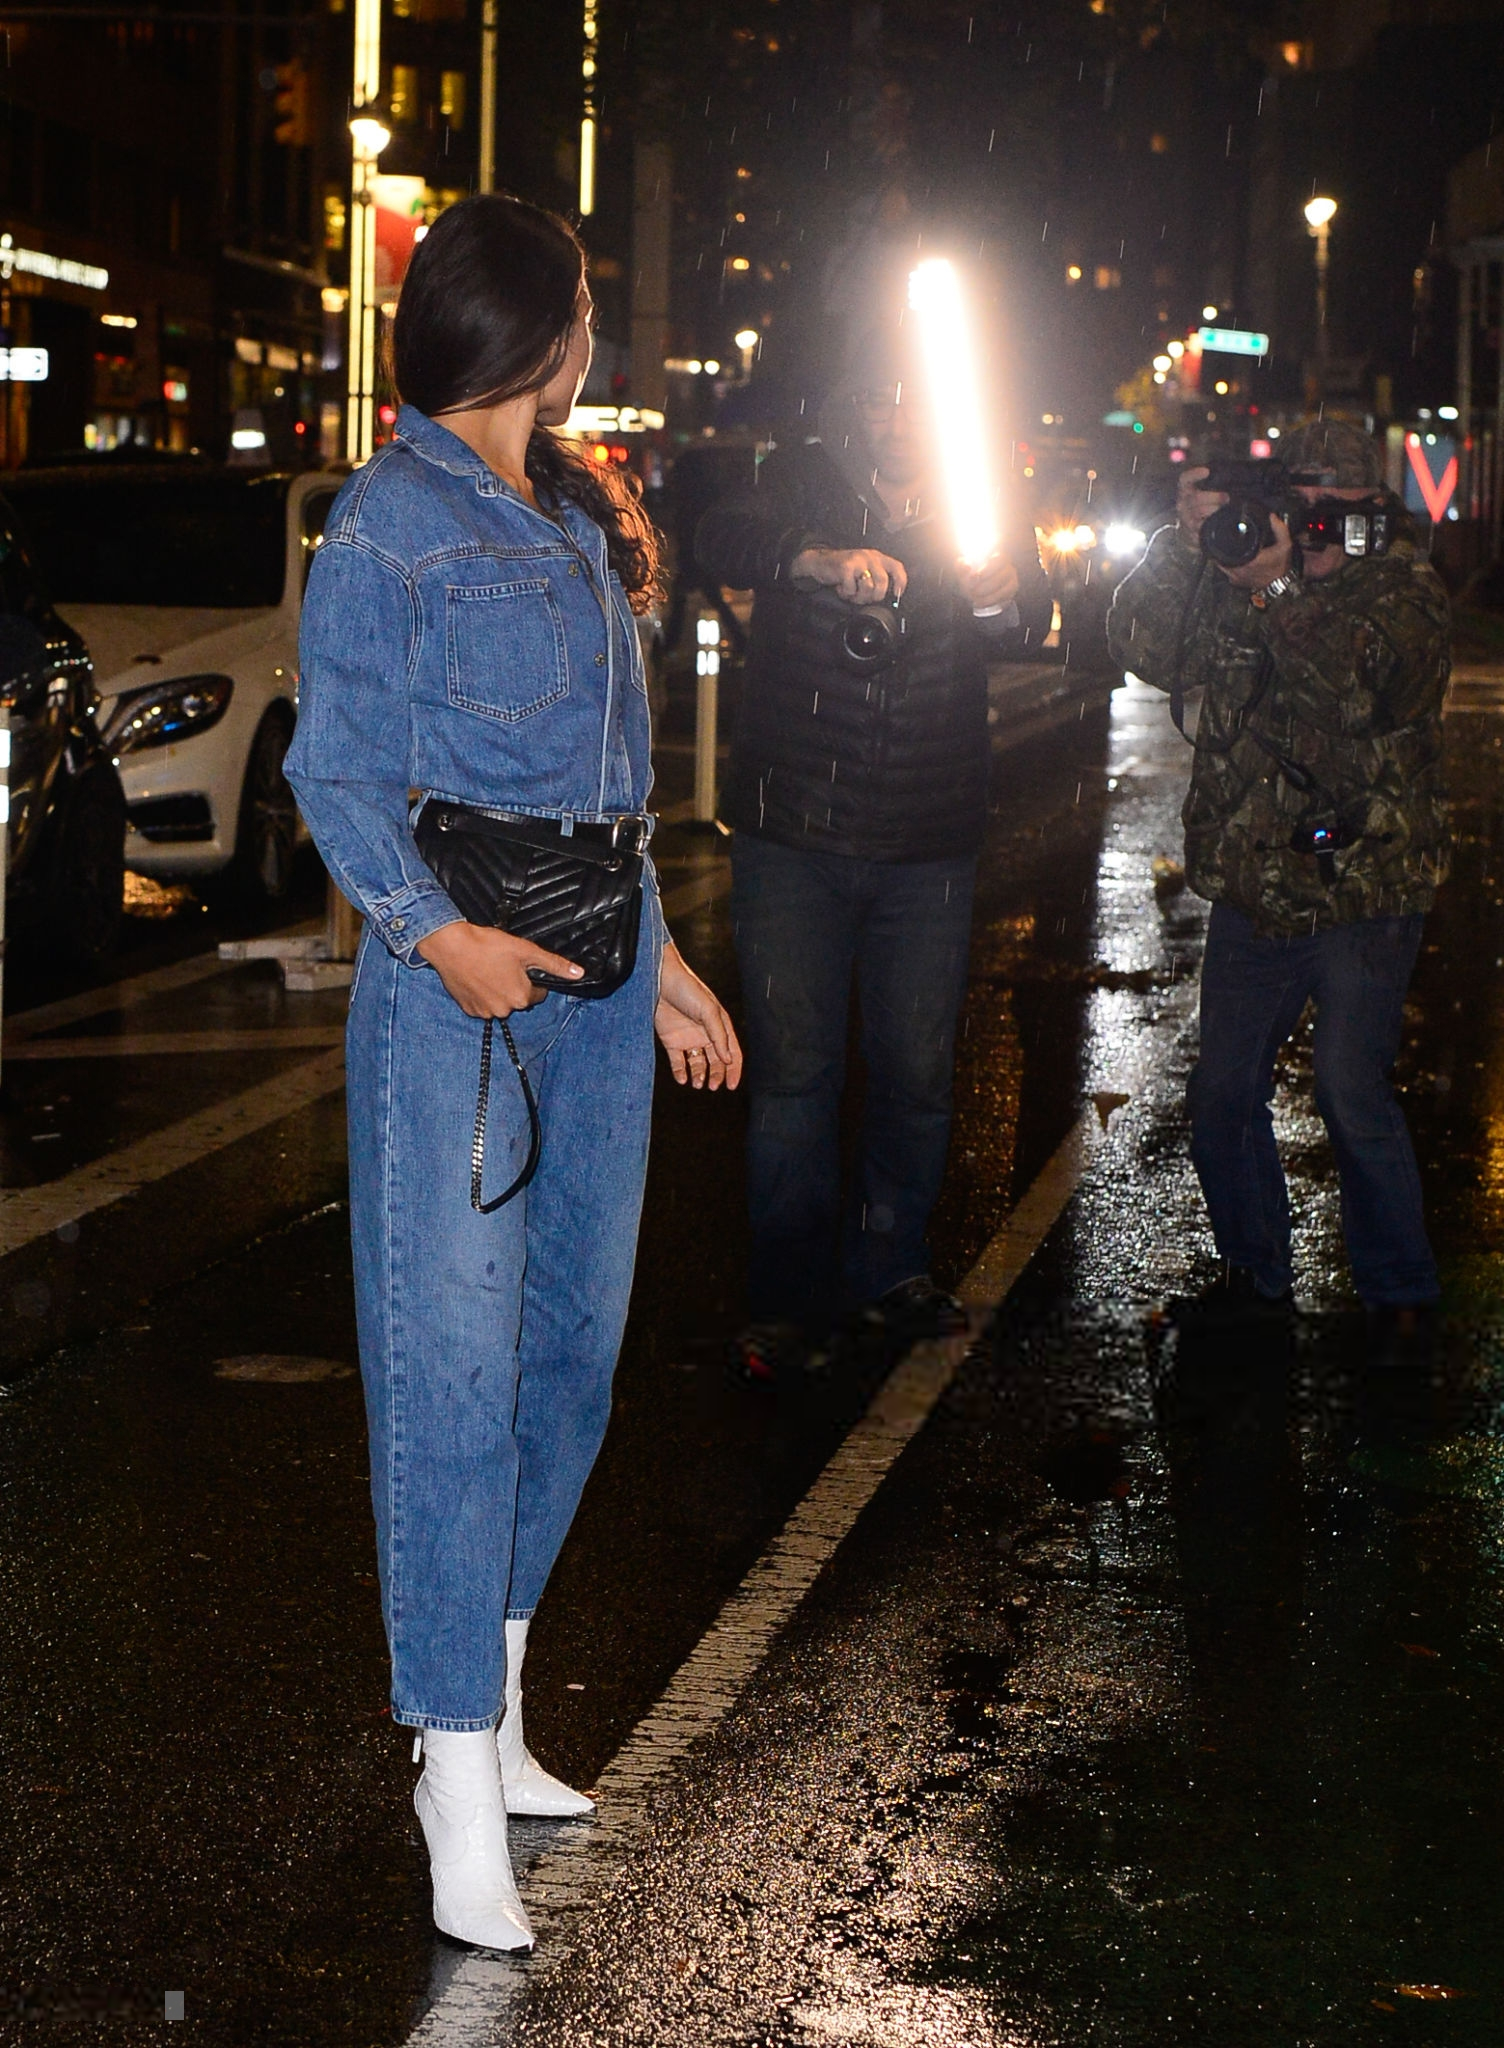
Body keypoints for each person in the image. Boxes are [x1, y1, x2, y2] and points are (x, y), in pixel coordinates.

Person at [285, 194, 742, 1954]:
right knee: (452, 1379)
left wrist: (667, 968)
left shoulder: (568, 510)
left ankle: (498, 1701)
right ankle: (450, 1766)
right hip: (456, 1003)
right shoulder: (388, 518)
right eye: (583, 313)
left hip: (597, 989)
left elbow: (608, 800)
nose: (590, 340)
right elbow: (337, 773)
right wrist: (429, 935)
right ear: (537, 332)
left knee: (569, 1362)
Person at [696, 324, 1050, 1380]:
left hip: (927, 836)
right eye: (881, 397)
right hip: (793, 830)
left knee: (915, 1070)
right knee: (794, 1072)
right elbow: (721, 535)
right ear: (856, 405)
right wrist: (814, 559)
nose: (898, 417)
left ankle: (889, 1270)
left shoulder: (982, 491)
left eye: (916, 399)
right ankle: (785, 1301)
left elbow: (1028, 618)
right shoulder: (801, 477)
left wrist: (998, 588)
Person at [1106, 417, 1449, 1339]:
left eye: (1337, 507)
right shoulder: (1243, 568)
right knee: (1221, 1093)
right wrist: (1186, 541)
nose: (1316, 525)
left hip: (1368, 887)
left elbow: (1361, 691)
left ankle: (1399, 1292)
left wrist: (1280, 588)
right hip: (1259, 889)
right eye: (1302, 506)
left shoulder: (1402, 585)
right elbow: (1143, 645)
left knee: (1348, 1088)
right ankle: (1255, 1275)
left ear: (1374, 509)